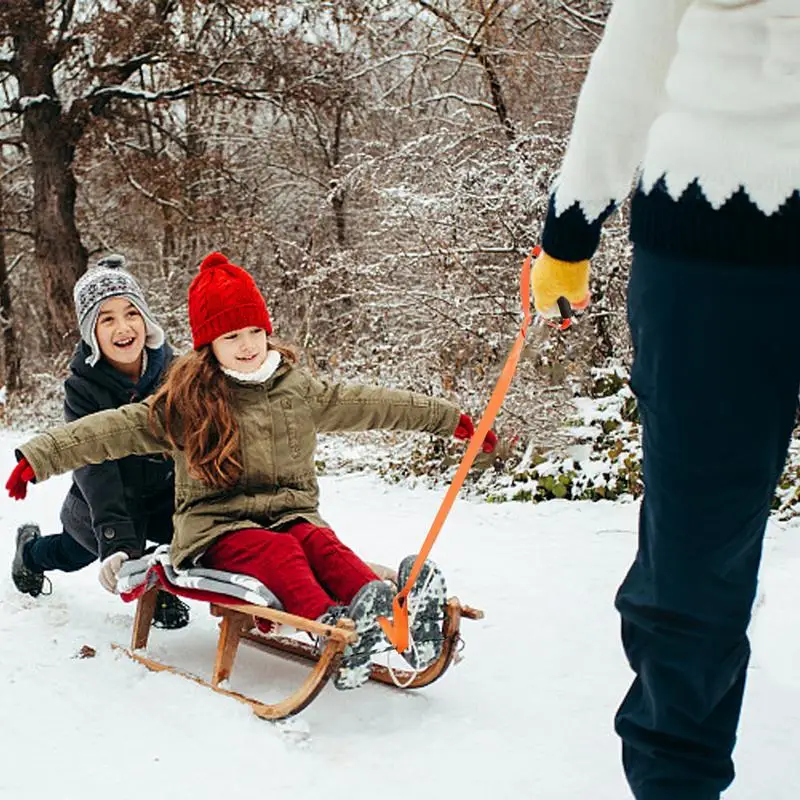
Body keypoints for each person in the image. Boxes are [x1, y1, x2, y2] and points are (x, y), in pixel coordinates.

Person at [6, 251, 496, 689]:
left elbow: (370, 403)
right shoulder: (188, 400)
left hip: (286, 513)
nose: (246, 345)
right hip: (214, 527)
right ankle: (330, 628)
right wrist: (38, 457)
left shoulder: (296, 390)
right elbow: (105, 432)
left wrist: (449, 420)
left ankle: (386, 615)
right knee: (277, 553)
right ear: (208, 346)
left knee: (320, 544)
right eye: (231, 335)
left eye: (255, 332)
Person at [531, 1, 800, 797]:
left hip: (709, 246)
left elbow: (635, 57)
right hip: (715, 231)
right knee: (693, 542)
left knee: (694, 543)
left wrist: (570, 234)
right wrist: (571, 228)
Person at [9, 255, 189, 630]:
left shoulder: (176, 374)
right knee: (74, 553)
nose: (123, 327)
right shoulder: (83, 389)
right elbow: (96, 468)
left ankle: (160, 589)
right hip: (103, 504)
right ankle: (30, 553)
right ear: (92, 331)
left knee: (181, 538)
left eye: (131, 313)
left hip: (161, 496)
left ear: (145, 318)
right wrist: (115, 541)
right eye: (107, 318)